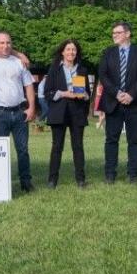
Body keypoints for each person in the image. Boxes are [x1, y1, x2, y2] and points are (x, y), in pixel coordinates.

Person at [98, 21, 137, 184]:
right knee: (111, 140)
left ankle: (133, 174)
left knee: (134, 140)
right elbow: (103, 74)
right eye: (113, 33)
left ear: (127, 34)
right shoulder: (108, 52)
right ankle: (110, 174)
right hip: (113, 103)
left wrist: (131, 94)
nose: (114, 35)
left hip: (134, 103)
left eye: (118, 32)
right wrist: (117, 93)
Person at [0, 32, 37, 193]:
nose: (5, 46)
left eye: (8, 42)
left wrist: (31, 107)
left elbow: (28, 85)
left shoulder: (19, 63)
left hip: (19, 112)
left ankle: (26, 182)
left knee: (22, 150)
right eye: (1, 43)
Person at [44, 39, 91, 189]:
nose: (71, 52)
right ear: (62, 52)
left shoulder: (82, 70)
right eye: (68, 49)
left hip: (77, 112)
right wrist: (65, 93)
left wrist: (83, 95)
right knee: (57, 146)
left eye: (74, 50)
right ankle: (52, 180)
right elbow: (47, 93)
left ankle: (81, 179)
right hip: (59, 112)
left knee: (78, 146)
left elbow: (88, 94)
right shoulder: (54, 69)